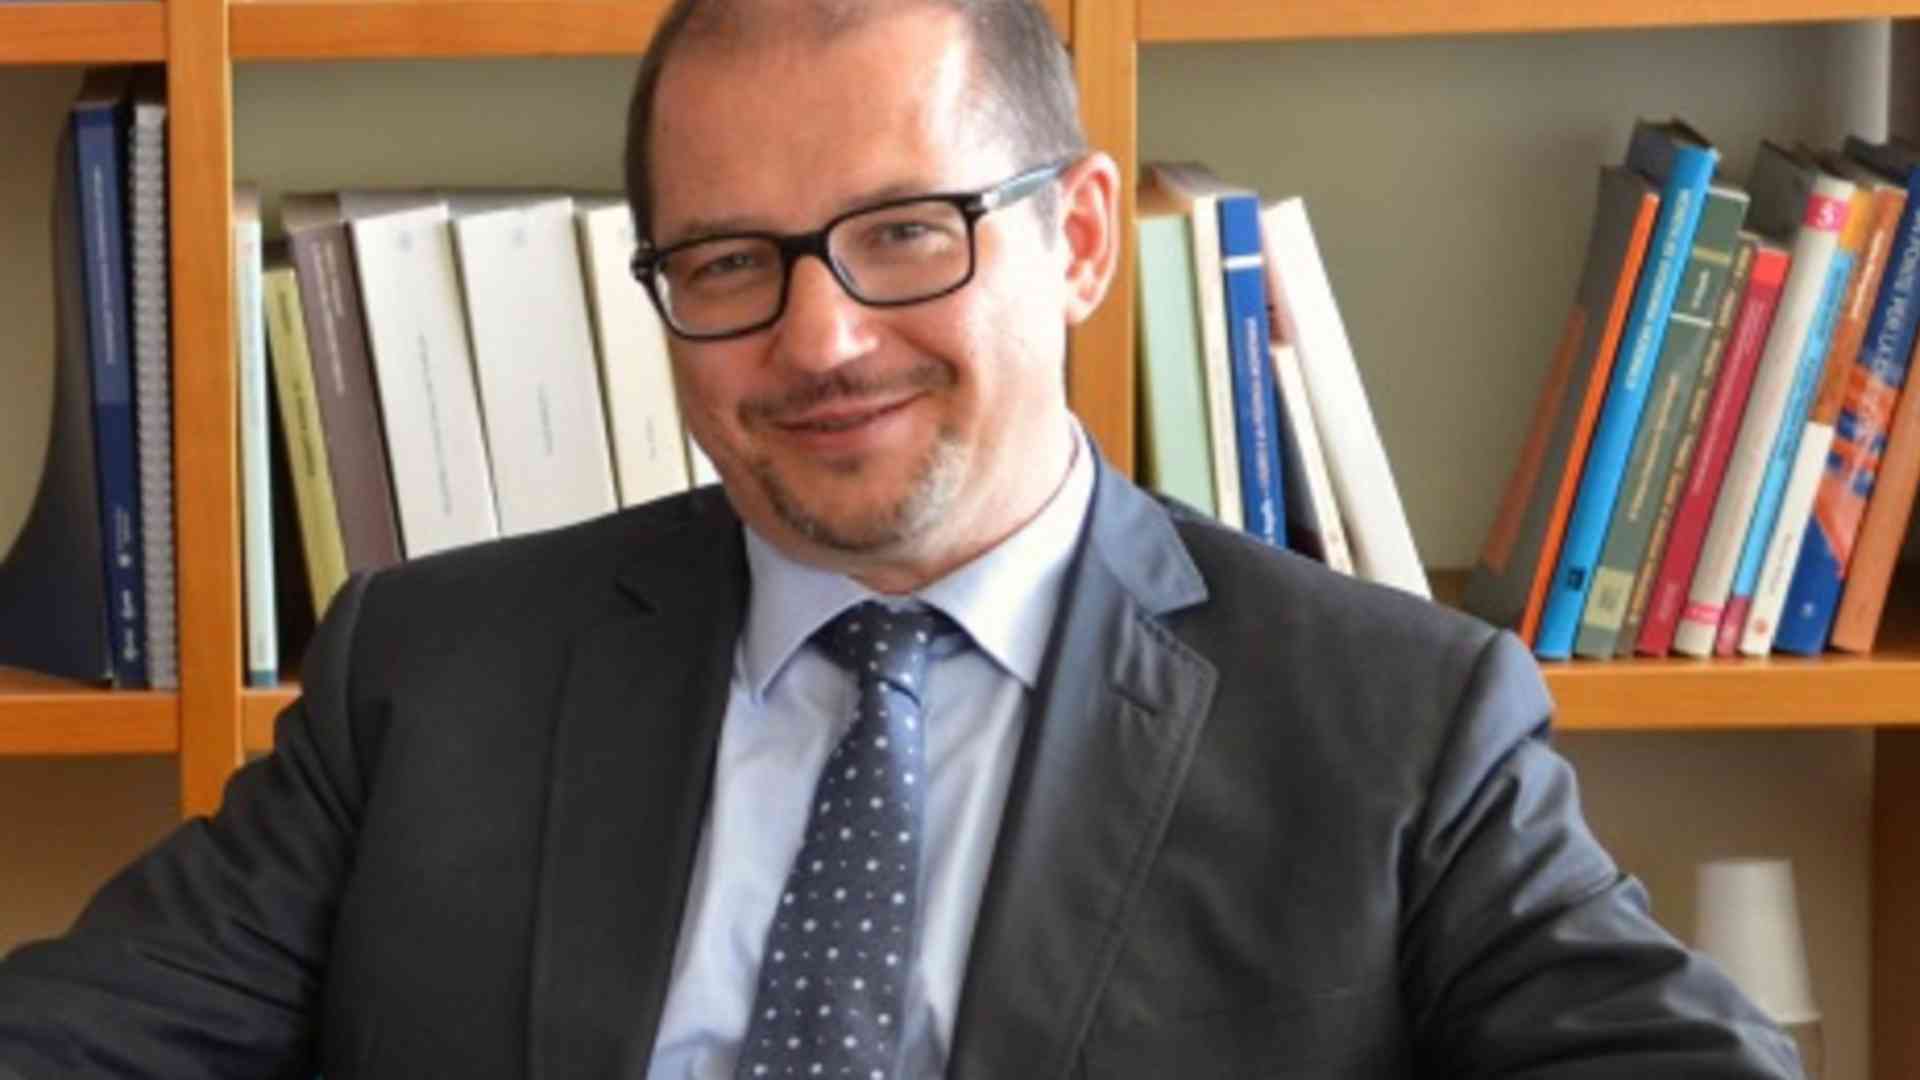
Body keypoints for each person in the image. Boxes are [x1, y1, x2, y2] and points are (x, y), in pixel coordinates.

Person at [0, 0, 1802, 1076]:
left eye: (906, 232)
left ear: (1077, 239)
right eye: (730, 262)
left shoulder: (1399, 726)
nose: (821, 340)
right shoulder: (428, 675)